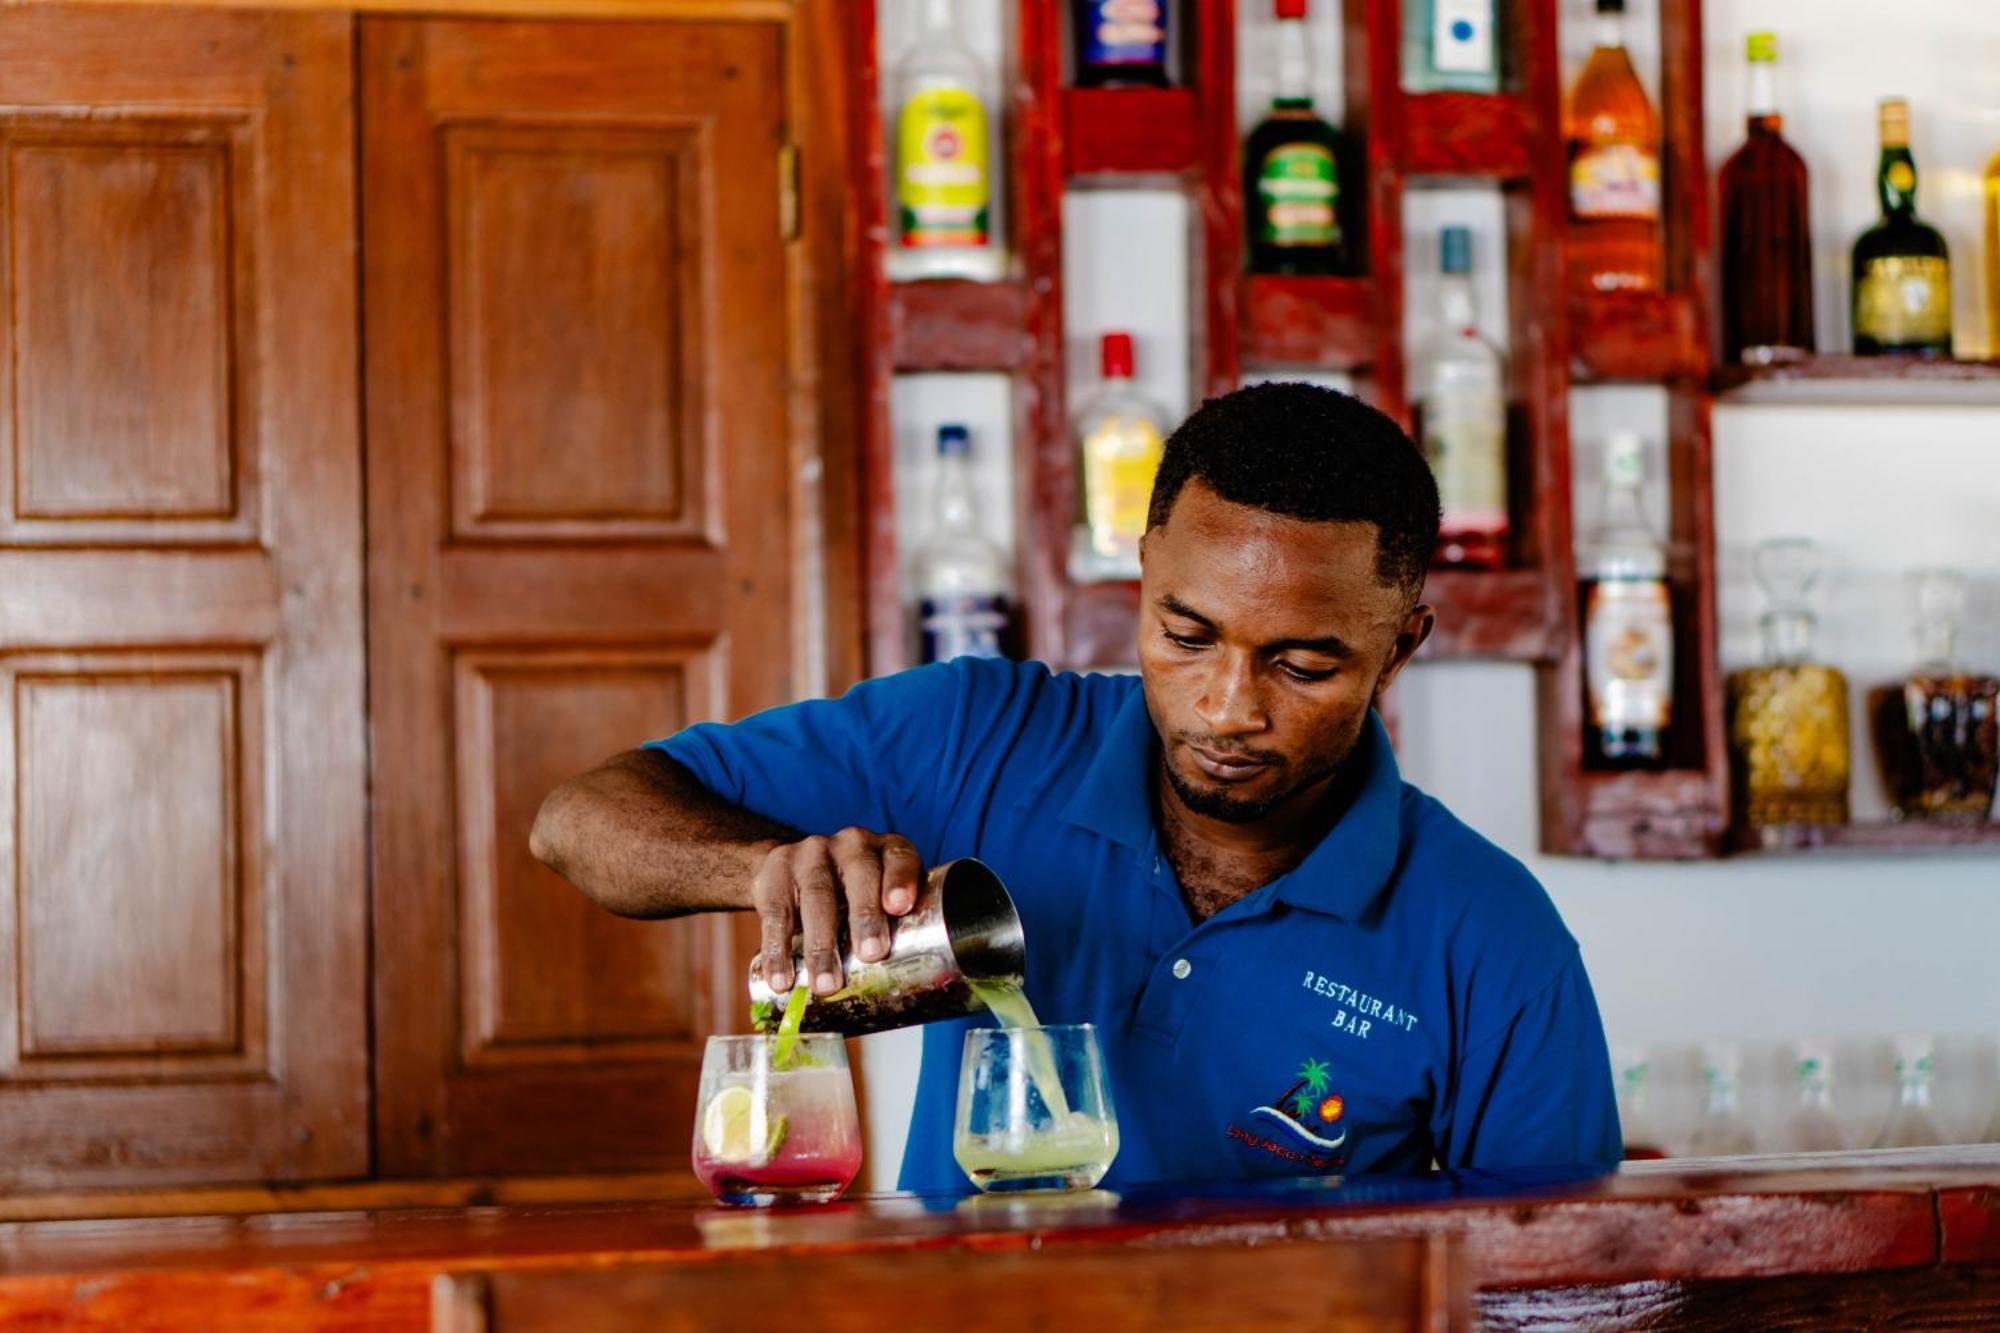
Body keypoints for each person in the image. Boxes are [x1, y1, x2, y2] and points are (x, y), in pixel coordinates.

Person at [531, 381, 1622, 1191]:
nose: (1224, 706)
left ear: (1399, 645)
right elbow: (577, 823)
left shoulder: (1488, 937)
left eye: (1302, 664)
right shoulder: (980, 735)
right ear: (1142, 573)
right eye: (1183, 633)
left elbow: (1563, 1285)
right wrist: (763, 865)